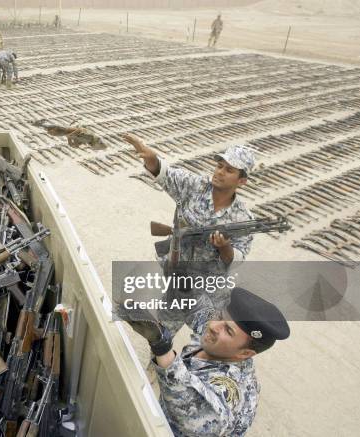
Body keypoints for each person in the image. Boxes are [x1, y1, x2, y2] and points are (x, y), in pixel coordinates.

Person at [125, 287, 289, 436]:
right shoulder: (220, 337)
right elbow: (200, 311)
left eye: (228, 330)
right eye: (220, 316)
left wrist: (162, 347)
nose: (213, 326)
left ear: (245, 353)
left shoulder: (233, 389)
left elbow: (194, 417)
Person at [123, 134, 255, 312]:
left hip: (209, 289)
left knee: (206, 334)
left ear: (242, 181)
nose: (220, 172)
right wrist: (152, 160)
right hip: (177, 275)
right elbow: (166, 174)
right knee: (165, 327)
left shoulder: (244, 219)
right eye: (219, 166)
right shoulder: (195, 186)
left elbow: (237, 258)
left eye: (229, 170)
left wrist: (224, 247)